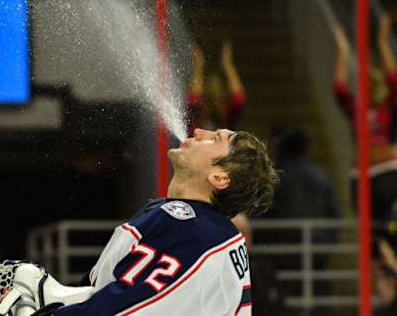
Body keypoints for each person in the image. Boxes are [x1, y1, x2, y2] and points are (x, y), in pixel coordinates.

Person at [40, 128, 278, 315]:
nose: (199, 132)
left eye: (215, 138)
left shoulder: (195, 230)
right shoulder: (195, 224)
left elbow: (126, 306)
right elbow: (102, 294)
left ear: (220, 177)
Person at [333, 15, 397, 222]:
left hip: (385, 171)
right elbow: (340, 88)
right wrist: (342, 51)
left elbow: (394, 79)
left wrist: (382, 42)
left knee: (387, 226)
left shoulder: (387, 106)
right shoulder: (355, 109)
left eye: (372, 83)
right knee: (368, 233)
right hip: (360, 175)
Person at [187, 41, 247, 133]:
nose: (214, 102)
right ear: (204, 98)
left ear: (224, 97)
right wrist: (198, 66)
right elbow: (194, 99)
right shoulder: (197, 119)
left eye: (217, 97)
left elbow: (239, 100)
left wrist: (228, 65)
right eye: (211, 97)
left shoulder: (227, 118)